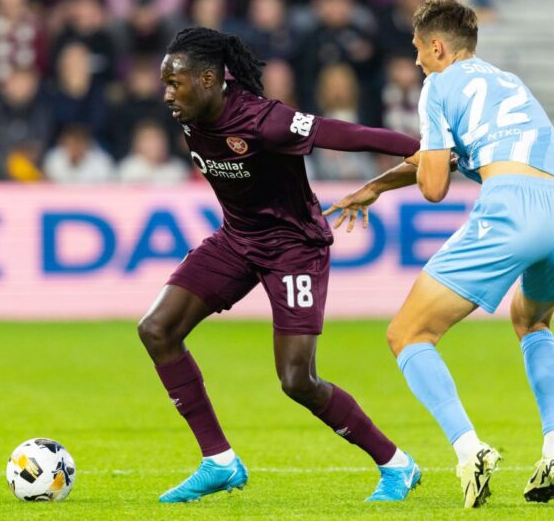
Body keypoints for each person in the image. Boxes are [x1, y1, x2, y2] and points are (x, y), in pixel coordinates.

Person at [325, 0, 554, 508]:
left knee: (407, 334)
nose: (417, 60)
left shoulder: (437, 86)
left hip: (512, 209)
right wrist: (377, 186)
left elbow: (434, 185)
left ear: (439, 47)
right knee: (532, 322)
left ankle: (469, 450)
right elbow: (457, 156)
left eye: (419, 49)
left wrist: (411, 165)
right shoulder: (508, 83)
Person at [142, 26, 422, 503]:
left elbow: (343, 133)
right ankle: (220, 462)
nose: (166, 94)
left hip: (294, 246)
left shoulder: (264, 121)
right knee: (157, 330)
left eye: (175, 83)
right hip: (237, 239)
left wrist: (419, 148)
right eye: (166, 83)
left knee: (296, 380)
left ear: (209, 78)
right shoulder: (190, 113)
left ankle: (398, 465)